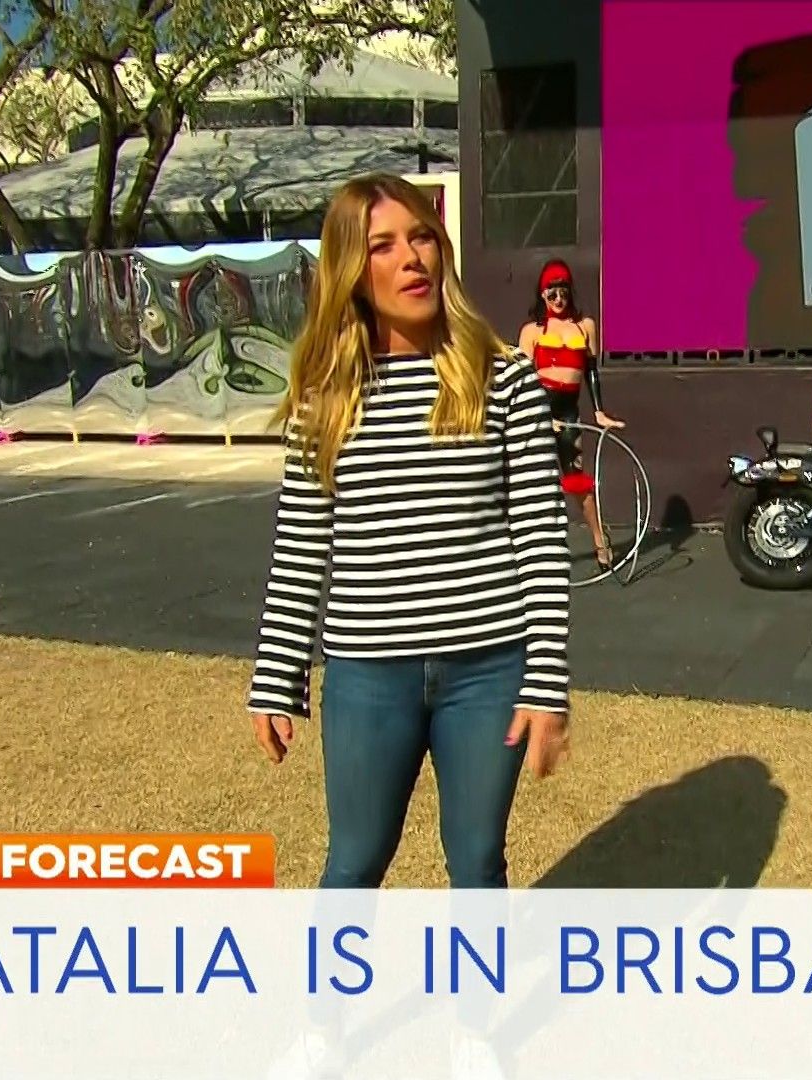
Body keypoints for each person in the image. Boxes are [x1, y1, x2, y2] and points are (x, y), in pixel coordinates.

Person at [245, 173, 573, 891]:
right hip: (368, 674)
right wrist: (277, 676)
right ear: (351, 271)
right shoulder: (325, 396)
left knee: (478, 863)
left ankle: (477, 975)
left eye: (421, 237)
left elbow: (542, 540)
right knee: (355, 861)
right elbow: (300, 545)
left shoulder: (504, 380)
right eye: (383, 246)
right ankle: (329, 974)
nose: (411, 259)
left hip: (488, 670)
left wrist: (546, 683)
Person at [517, 260, 624, 570]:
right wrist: (538, 416)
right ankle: (530, 549)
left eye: (563, 292)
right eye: (552, 294)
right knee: (534, 481)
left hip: (568, 412)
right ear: (542, 295)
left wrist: (599, 412)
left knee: (577, 478)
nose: (559, 299)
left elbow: (591, 373)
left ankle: (600, 540)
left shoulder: (584, 326)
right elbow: (523, 380)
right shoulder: (532, 331)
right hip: (539, 412)